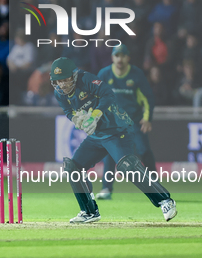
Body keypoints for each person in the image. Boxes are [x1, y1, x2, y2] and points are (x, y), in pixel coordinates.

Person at [50, 57, 176, 223]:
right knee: (73, 167)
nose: (63, 85)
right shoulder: (59, 93)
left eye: (66, 80)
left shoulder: (85, 79)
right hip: (96, 135)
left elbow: (108, 94)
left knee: (127, 166)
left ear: (73, 76)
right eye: (59, 81)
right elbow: (68, 111)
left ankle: (165, 201)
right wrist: (76, 119)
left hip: (117, 129)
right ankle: (89, 212)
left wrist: (95, 115)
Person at [95, 45, 156, 200]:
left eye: (122, 56)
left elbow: (148, 97)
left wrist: (147, 118)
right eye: (117, 56)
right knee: (109, 154)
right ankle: (106, 189)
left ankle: (154, 187)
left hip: (134, 122)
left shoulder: (136, 75)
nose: (119, 59)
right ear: (112, 58)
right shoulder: (104, 74)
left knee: (144, 151)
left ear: (128, 58)